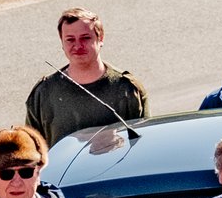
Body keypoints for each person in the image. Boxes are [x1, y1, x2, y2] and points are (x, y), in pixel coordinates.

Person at [25, 8, 151, 146]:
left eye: (85, 38)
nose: (78, 45)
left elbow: (143, 145)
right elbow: (31, 152)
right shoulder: (43, 93)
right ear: (62, 42)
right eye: (70, 39)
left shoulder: (127, 89)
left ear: (100, 38)